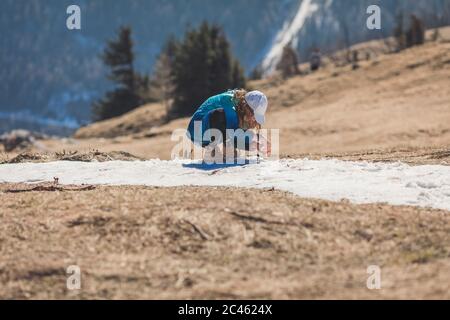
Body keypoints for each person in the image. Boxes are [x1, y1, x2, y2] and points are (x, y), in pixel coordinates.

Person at [187, 89, 271, 161]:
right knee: (221, 115)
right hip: (196, 130)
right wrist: (255, 137)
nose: (253, 119)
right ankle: (216, 153)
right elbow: (233, 132)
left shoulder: (239, 103)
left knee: (236, 125)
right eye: (253, 115)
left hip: (206, 130)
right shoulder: (230, 105)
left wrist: (253, 145)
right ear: (247, 107)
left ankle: (224, 153)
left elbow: (235, 133)